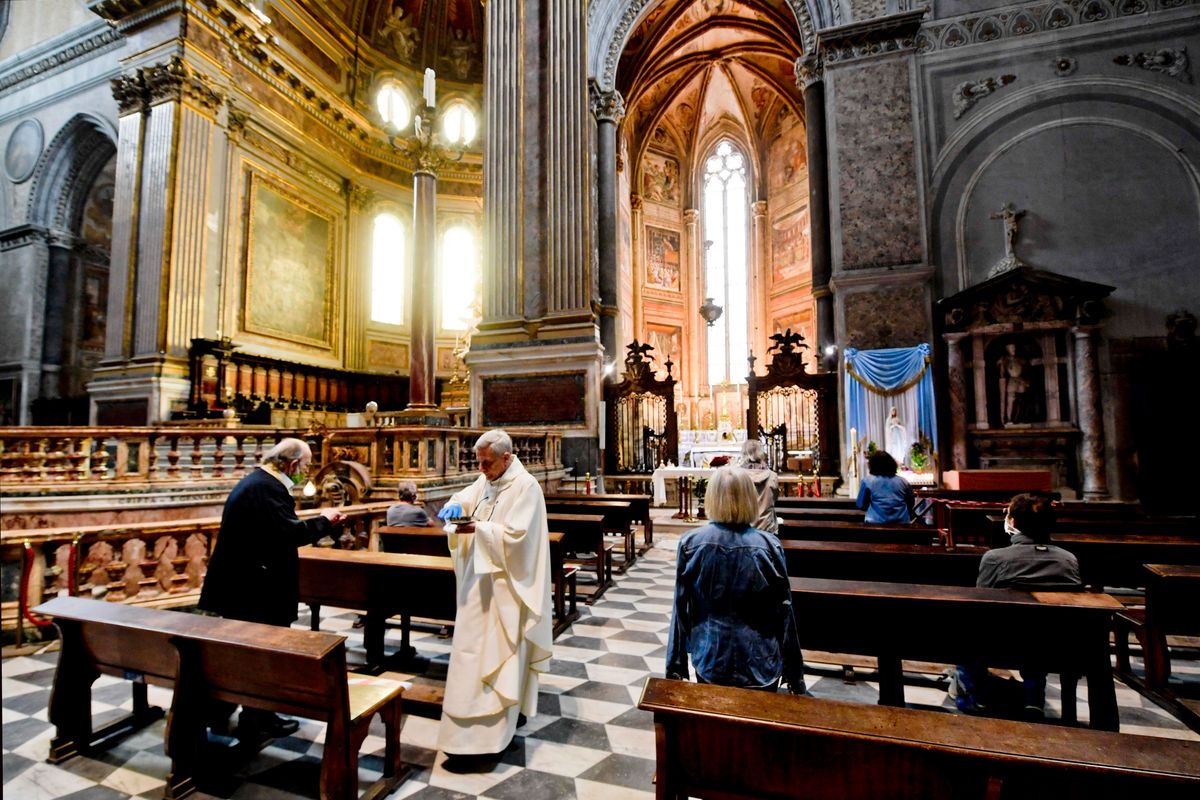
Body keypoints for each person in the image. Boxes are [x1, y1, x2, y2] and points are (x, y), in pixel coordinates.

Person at [198, 437, 345, 738]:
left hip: (244, 587)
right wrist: (324, 521)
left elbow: (272, 528)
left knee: (244, 653)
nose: (305, 471)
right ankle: (258, 719)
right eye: (304, 466)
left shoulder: (256, 482)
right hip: (256, 591)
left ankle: (223, 709)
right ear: (292, 464)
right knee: (263, 654)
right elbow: (287, 534)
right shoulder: (268, 487)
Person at [434, 430, 552, 763]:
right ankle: (463, 736)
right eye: (479, 462)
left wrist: (479, 530)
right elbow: (466, 499)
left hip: (507, 590)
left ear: (506, 457)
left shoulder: (526, 487)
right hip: (477, 587)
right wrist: (454, 506)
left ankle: (494, 734)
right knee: (469, 657)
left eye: (486, 463)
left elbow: (520, 539)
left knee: (500, 656)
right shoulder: (486, 479)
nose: (481, 468)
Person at [666, 466, 807, 695]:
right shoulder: (769, 546)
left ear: (712, 498)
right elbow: (785, 611)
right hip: (760, 660)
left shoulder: (691, 544)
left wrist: (675, 667)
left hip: (712, 657)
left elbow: (680, 609)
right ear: (749, 499)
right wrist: (794, 673)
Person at [953, 493, 1080, 718]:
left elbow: (981, 601)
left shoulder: (995, 558)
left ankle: (977, 696)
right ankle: (1034, 700)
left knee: (966, 632)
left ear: (1012, 522)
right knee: (1038, 629)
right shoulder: (1068, 559)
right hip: (1055, 643)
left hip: (1002, 641)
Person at [856, 451, 915, 524]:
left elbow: (860, 505)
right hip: (901, 524)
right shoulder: (903, 482)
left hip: (875, 525)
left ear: (872, 465)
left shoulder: (867, 481)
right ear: (892, 464)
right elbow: (911, 503)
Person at [738, 438, 780, 534]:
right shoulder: (772, 476)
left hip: (743, 528)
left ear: (744, 453)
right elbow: (775, 498)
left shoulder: (737, 475)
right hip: (766, 528)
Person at [997, 343, 1030, 425]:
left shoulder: (1020, 360)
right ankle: (1009, 419)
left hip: (1020, 380)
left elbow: (1026, 369)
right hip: (1011, 380)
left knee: (1021, 400)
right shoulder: (1004, 359)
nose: (1013, 349)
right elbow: (1001, 372)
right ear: (1007, 349)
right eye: (1011, 348)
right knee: (1010, 400)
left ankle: (1020, 419)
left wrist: (1026, 381)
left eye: (1014, 347)